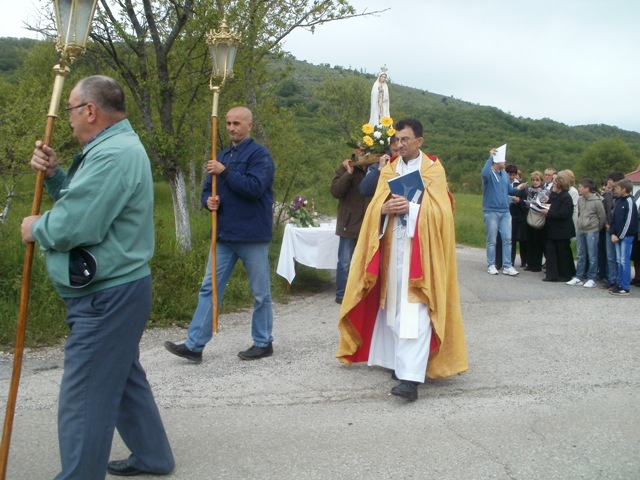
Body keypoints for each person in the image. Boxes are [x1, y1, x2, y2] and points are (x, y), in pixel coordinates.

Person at [21, 75, 174, 478]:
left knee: (85, 392)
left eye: (72, 110)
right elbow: (87, 202)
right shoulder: (112, 147)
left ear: (90, 110)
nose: (69, 120)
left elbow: (75, 225)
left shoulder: (113, 154)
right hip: (119, 288)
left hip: (107, 295)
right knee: (121, 377)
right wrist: (55, 175)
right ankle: (153, 456)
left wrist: (36, 227)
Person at [336, 118, 468, 402]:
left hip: (421, 253)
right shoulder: (390, 170)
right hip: (392, 247)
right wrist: (383, 209)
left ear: (419, 141)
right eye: (396, 140)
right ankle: (401, 363)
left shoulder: (433, 170)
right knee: (393, 308)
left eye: (405, 140)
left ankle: (410, 379)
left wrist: (413, 208)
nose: (399, 145)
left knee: (416, 309)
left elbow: (444, 213)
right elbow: (373, 209)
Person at [165, 106, 275, 362]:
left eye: (236, 123)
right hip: (224, 234)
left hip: (252, 234)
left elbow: (255, 188)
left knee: (260, 292)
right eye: (227, 123)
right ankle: (194, 346)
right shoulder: (222, 154)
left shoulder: (260, 155)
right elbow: (206, 189)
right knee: (209, 288)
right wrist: (208, 202)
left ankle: (263, 341)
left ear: (249, 126)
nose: (231, 128)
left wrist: (225, 171)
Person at [330, 150, 373, 304]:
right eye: (359, 149)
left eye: (365, 150)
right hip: (349, 222)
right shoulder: (344, 167)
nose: (362, 153)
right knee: (344, 262)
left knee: (367, 261)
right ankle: (341, 294)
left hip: (369, 223)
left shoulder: (375, 167)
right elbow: (335, 191)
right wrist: (348, 174)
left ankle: (363, 294)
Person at [481, 148, 525, 276]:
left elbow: (509, 191)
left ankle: (507, 265)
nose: (505, 161)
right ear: (497, 160)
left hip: (505, 211)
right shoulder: (489, 173)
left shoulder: (504, 175)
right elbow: (484, 173)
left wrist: (518, 189)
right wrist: (490, 158)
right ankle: (491, 264)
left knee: (507, 239)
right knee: (492, 240)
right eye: (502, 159)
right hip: (491, 211)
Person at [566, 177, 605, 288]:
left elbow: (601, 217)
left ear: (587, 188)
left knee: (592, 255)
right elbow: (579, 213)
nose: (579, 188)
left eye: (581, 187)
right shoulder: (580, 200)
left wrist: (596, 227)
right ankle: (579, 276)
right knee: (580, 254)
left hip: (592, 230)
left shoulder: (597, 201)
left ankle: (592, 277)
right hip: (581, 229)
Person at [540, 170, 576, 282]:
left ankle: (565, 274)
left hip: (562, 230)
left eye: (555, 183)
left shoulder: (566, 197)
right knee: (550, 252)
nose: (553, 185)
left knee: (562, 253)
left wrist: (549, 213)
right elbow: (551, 205)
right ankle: (552, 274)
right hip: (552, 229)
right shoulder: (555, 195)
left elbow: (564, 214)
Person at [608, 178, 638, 296]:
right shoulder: (619, 201)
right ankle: (619, 283)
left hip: (626, 236)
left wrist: (620, 235)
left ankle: (625, 287)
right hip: (617, 236)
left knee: (624, 261)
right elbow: (614, 219)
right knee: (618, 260)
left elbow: (628, 221)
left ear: (624, 189)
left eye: (617, 188)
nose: (615, 190)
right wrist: (613, 233)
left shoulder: (630, 201)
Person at [599, 172, 626, 289]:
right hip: (608, 229)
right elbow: (604, 211)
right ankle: (611, 279)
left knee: (619, 257)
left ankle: (620, 280)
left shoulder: (623, 197)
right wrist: (606, 224)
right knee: (610, 256)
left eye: (610, 180)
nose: (608, 182)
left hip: (619, 230)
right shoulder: (608, 195)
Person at [523, 171, 546, 272]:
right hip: (530, 215)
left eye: (537, 180)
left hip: (539, 217)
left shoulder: (544, 191)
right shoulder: (528, 190)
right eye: (533, 180)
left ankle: (537, 264)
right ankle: (530, 263)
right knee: (529, 241)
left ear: (541, 181)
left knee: (538, 242)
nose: (535, 182)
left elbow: (544, 203)